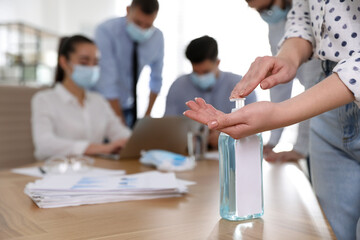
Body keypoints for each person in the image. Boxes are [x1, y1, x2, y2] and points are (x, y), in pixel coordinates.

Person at [184, 1, 360, 239]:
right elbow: (304, 16)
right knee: (330, 232)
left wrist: (279, 115)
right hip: (326, 110)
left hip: (337, 90)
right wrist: (288, 57)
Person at [31, 35, 131, 161]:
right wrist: (102, 148)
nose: (91, 68)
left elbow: (120, 133)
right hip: (57, 171)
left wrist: (134, 142)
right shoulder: (44, 100)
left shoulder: (98, 100)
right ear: (64, 62)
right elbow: (44, 144)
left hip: (96, 170)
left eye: (95, 63)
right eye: (84, 62)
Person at [247, 0, 322, 163]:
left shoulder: (312, 17)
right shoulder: (276, 27)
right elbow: (280, 83)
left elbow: (314, 89)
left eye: (267, 9)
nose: (267, 14)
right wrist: (273, 141)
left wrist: (300, 148)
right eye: (261, 12)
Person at [165, 36, 256, 148]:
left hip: (233, 155)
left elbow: (253, 129)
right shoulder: (178, 87)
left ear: (217, 63)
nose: (200, 76)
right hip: (188, 156)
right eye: (196, 72)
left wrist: (226, 138)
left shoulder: (241, 86)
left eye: (206, 72)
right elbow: (167, 130)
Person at [94, 0, 164, 128]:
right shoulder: (106, 31)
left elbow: (156, 79)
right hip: (101, 104)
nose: (142, 29)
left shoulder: (157, 37)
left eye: (148, 25)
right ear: (127, 10)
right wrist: (120, 125)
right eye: (138, 23)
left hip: (128, 105)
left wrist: (147, 118)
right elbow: (108, 82)